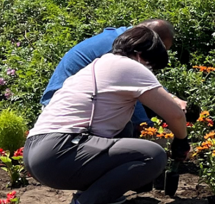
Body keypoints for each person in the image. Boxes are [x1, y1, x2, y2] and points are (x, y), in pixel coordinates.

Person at [23, 26, 190, 204]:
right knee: (152, 155)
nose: (150, 70)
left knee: (125, 128)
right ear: (138, 54)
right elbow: (176, 116)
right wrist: (182, 141)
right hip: (59, 152)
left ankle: (100, 196)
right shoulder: (130, 66)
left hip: (38, 151)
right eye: (150, 65)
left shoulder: (99, 65)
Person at [41, 20, 176, 136]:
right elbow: (133, 90)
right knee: (128, 130)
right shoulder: (119, 49)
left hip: (84, 103)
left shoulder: (122, 40)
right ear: (150, 40)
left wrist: (172, 99)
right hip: (65, 110)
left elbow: (143, 82)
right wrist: (146, 127)